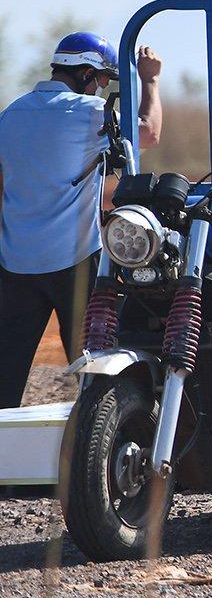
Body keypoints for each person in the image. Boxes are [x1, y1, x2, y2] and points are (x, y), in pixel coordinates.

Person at [0, 33, 164, 408]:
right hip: (74, 263)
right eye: (103, 80)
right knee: (98, 371)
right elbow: (149, 133)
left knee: (5, 374)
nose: (102, 88)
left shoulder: (10, 115)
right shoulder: (87, 113)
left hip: (14, 262)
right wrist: (150, 81)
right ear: (86, 73)